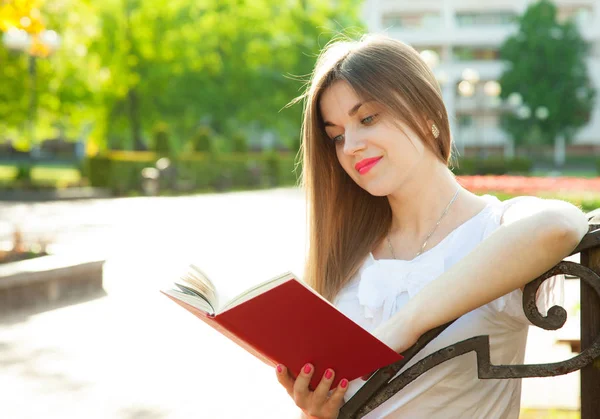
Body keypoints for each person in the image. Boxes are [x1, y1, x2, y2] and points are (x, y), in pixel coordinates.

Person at [274, 34, 589, 419]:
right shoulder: (345, 257)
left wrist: (404, 326)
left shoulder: (493, 229)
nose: (351, 145)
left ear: (427, 114)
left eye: (367, 118)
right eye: (336, 136)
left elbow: (559, 225)